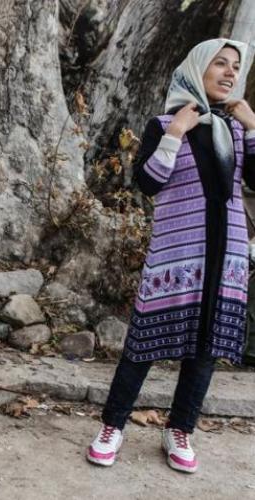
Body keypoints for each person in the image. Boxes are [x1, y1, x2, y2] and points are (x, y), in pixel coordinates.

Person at [86, 38, 255, 473]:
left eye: (236, 66)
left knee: (204, 350)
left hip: (226, 257)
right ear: (197, 68)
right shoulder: (164, 123)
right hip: (177, 259)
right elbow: (147, 182)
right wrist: (176, 133)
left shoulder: (236, 128)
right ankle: (112, 426)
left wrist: (253, 128)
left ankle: (180, 430)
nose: (230, 73)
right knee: (143, 344)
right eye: (220, 63)